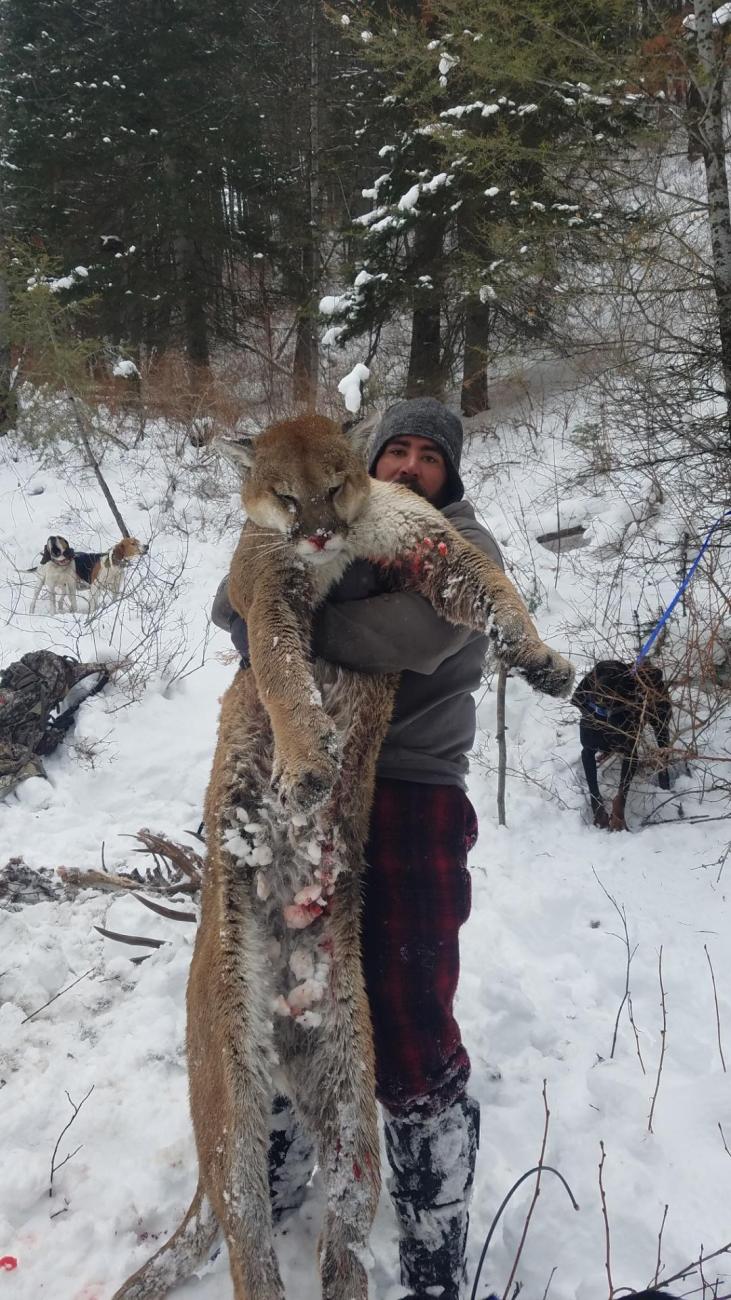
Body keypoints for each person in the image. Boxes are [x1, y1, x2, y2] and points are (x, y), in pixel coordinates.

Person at [211, 397, 503, 1300]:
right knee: (290, 998)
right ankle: (288, 1168)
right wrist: (260, 605)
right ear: (360, 463)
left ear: (446, 475)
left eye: (428, 456)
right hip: (300, 790)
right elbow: (229, 598)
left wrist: (276, 621)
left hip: (409, 793)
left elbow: (391, 639)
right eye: (395, 451)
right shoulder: (329, 522)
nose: (409, 466)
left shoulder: (459, 548)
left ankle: (431, 1238)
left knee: (406, 1018)